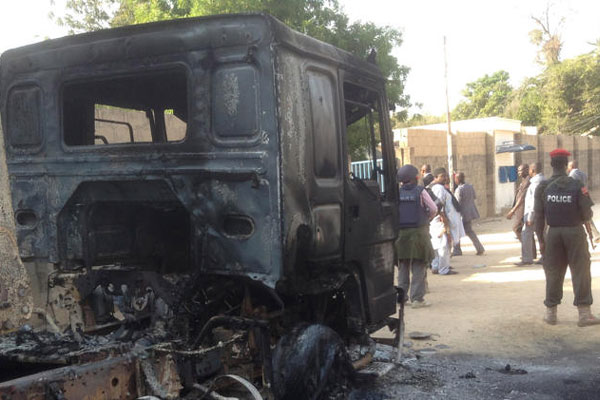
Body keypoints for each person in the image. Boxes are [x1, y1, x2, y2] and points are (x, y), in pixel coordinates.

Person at [533, 149, 600, 327]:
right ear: (565, 165)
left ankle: (551, 314)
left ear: (551, 164)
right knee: (580, 270)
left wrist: (541, 240)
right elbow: (587, 212)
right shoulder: (577, 185)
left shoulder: (543, 186)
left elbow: (538, 217)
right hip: (575, 232)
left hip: (553, 234)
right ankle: (584, 315)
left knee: (553, 272)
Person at [395, 165, 437, 308]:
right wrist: (427, 218)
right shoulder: (421, 191)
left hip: (400, 235)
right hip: (419, 234)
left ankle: (402, 298)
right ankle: (417, 299)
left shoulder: (396, 193)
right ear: (416, 178)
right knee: (419, 265)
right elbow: (433, 209)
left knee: (403, 266)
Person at [429, 167, 464, 275]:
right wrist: (445, 222)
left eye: (445, 176)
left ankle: (436, 266)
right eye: (442, 176)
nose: (445, 178)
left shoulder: (439, 187)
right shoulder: (438, 188)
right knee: (443, 245)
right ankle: (443, 269)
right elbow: (439, 206)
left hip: (441, 220)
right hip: (441, 221)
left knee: (438, 244)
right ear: (435, 177)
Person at [518, 162, 545, 266]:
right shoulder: (543, 180)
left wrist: (530, 217)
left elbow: (534, 201)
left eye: (529, 170)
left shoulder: (535, 183)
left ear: (533, 171)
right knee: (541, 235)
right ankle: (544, 256)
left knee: (526, 234)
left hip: (532, 214)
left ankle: (527, 259)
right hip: (541, 213)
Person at [453, 172, 485, 256]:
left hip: (462, 214)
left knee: (457, 231)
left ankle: (457, 250)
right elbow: (474, 197)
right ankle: (479, 248)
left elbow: (457, 202)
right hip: (470, 212)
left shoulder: (459, 189)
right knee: (469, 231)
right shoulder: (470, 187)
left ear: (457, 179)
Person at [506, 164, 531, 243]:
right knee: (520, 230)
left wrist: (512, 210)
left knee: (517, 228)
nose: (519, 172)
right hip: (520, 210)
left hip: (523, 210)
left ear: (527, 170)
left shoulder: (528, 181)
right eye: (518, 170)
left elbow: (522, 198)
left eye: (521, 170)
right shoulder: (523, 180)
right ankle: (527, 250)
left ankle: (526, 249)